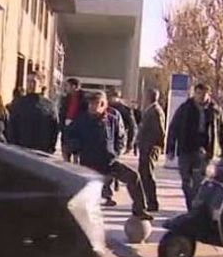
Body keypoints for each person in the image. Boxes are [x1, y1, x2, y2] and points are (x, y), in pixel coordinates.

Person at [68, 91, 152, 220]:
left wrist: (117, 152)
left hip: (109, 162)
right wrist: (75, 148)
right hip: (89, 164)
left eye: (97, 104)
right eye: (91, 104)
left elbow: (120, 137)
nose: (93, 107)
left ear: (103, 104)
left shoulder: (111, 119)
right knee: (83, 195)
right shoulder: (81, 120)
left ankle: (139, 210)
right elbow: (69, 136)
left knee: (133, 177)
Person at [166, 83, 223, 210]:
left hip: (205, 150)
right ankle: (192, 206)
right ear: (194, 93)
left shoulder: (215, 110)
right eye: (199, 93)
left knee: (198, 182)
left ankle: (195, 209)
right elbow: (174, 128)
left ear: (208, 94)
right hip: (186, 148)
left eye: (204, 94)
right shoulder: (185, 109)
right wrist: (170, 148)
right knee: (186, 182)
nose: (201, 97)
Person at [10, 74, 59, 153]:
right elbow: (12, 125)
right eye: (28, 81)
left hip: (42, 149)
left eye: (33, 82)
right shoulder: (19, 103)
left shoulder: (49, 106)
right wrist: (13, 144)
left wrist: (51, 147)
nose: (30, 85)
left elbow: (54, 127)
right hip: (21, 148)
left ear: (40, 84)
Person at [137, 89, 166, 212]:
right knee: (143, 174)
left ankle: (152, 202)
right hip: (145, 146)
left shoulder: (155, 111)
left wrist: (154, 146)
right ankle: (147, 200)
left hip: (150, 148)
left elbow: (159, 131)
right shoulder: (149, 110)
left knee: (147, 174)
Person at [59, 78, 89, 162]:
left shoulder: (84, 99)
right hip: (66, 128)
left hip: (78, 130)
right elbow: (62, 112)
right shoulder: (65, 99)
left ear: (74, 86)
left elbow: (86, 114)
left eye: (67, 86)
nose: (66, 88)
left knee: (76, 155)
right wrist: (61, 125)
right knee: (65, 152)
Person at [108, 89, 138, 155]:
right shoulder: (106, 107)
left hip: (119, 139)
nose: (111, 99)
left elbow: (132, 127)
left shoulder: (125, 110)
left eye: (113, 97)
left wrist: (130, 145)